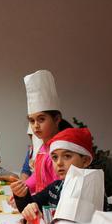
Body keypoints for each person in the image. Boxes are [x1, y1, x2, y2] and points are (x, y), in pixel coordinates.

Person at [13, 127, 102, 224]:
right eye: (54, 157)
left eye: (67, 156)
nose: (59, 163)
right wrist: (22, 196)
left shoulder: (90, 192)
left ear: (85, 160)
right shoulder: (56, 187)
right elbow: (30, 206)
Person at [11, 70, 72, 198]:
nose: (36, 126)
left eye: (41, 119)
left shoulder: (61, 152)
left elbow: (58, 187)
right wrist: (22, 189)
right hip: (41, 208)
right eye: (32, 121)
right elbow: (37, 177)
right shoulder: (42, 149)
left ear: (56, 119)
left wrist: (33, 200)